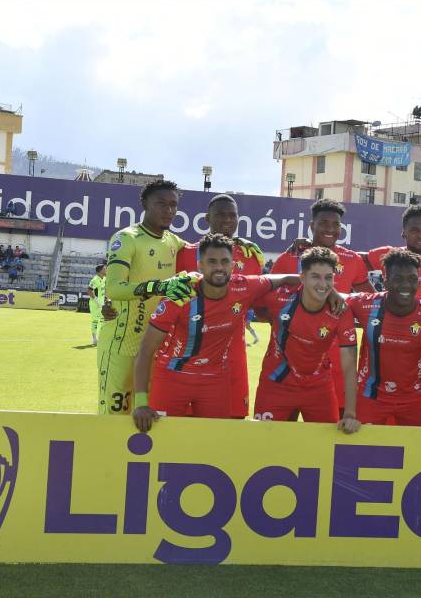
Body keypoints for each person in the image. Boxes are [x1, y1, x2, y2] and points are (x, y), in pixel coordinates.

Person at [131, 233, 303, 431]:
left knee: (214, 441)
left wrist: (331, 291)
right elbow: (145, 351)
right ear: (200, 265)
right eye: (212, 261)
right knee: (163, 439)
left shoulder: (244, 286)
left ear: (232, 265)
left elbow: (282, 279)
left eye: (224, 261)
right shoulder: (181, 294)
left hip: (215, 379)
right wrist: (141, 402)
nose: (219, 267)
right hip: (172, 376)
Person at [96, 180, 193, 416]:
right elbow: (114, 289)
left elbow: (209, 251)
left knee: (150, 416)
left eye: (173, 205)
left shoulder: (173, 241)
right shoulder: (127, 238)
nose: (168, 210)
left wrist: (240, 243)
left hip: (155, 348)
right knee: (115, 416)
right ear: (145, 205)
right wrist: (159, 286)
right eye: (161, 204)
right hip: (121, 344)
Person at [272, 199, 374, 414]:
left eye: (336, 224)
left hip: (336, 359)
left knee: (331, 430)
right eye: (324, 223)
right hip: (288, 361)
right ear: (312, 226)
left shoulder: (352, 259)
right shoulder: (289, 258)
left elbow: (370, 299)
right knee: (282, 430)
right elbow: (266, 302)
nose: (330, 229)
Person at [175, 193, 266, 418]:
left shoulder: (250, 256)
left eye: (232, 215)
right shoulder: (185, 253)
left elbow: (262, 302)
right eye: (221, 215)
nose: (227, 220)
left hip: (233, 355)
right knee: (185, 426)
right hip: (190, 356)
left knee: (231, 423)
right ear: (207, 218)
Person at [342, 249, 421, 428]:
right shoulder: (365, 304)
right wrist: (290, 279)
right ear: (385, 281)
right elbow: (330, 294)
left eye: (412, 279)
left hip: (415, 400)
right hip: (371, 397)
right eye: (398, 279)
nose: (406, 285)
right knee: (362, 452)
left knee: (418, 453)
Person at [253, 247, 358, 424]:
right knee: (267, 444)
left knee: (324, 447)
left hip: (319, 388)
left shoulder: (340, 310)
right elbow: (251, 285)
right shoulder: (280, 297)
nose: (323, 284)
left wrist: (350, 414)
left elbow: (349, 365)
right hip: (276, 384)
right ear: (302, 277)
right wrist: (287, 278)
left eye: (329, 277)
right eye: (315, 276)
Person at [87, 264, 106, 346]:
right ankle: (94, 339)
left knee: (103, 321)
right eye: (105, 269)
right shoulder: (95, 280)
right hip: (95, 304)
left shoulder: (104, 278)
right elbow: (89, 291)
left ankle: (101, 338)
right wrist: (97, 300)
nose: (106, 270)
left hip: (102, 303)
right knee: (95, 321)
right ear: (100, 271)